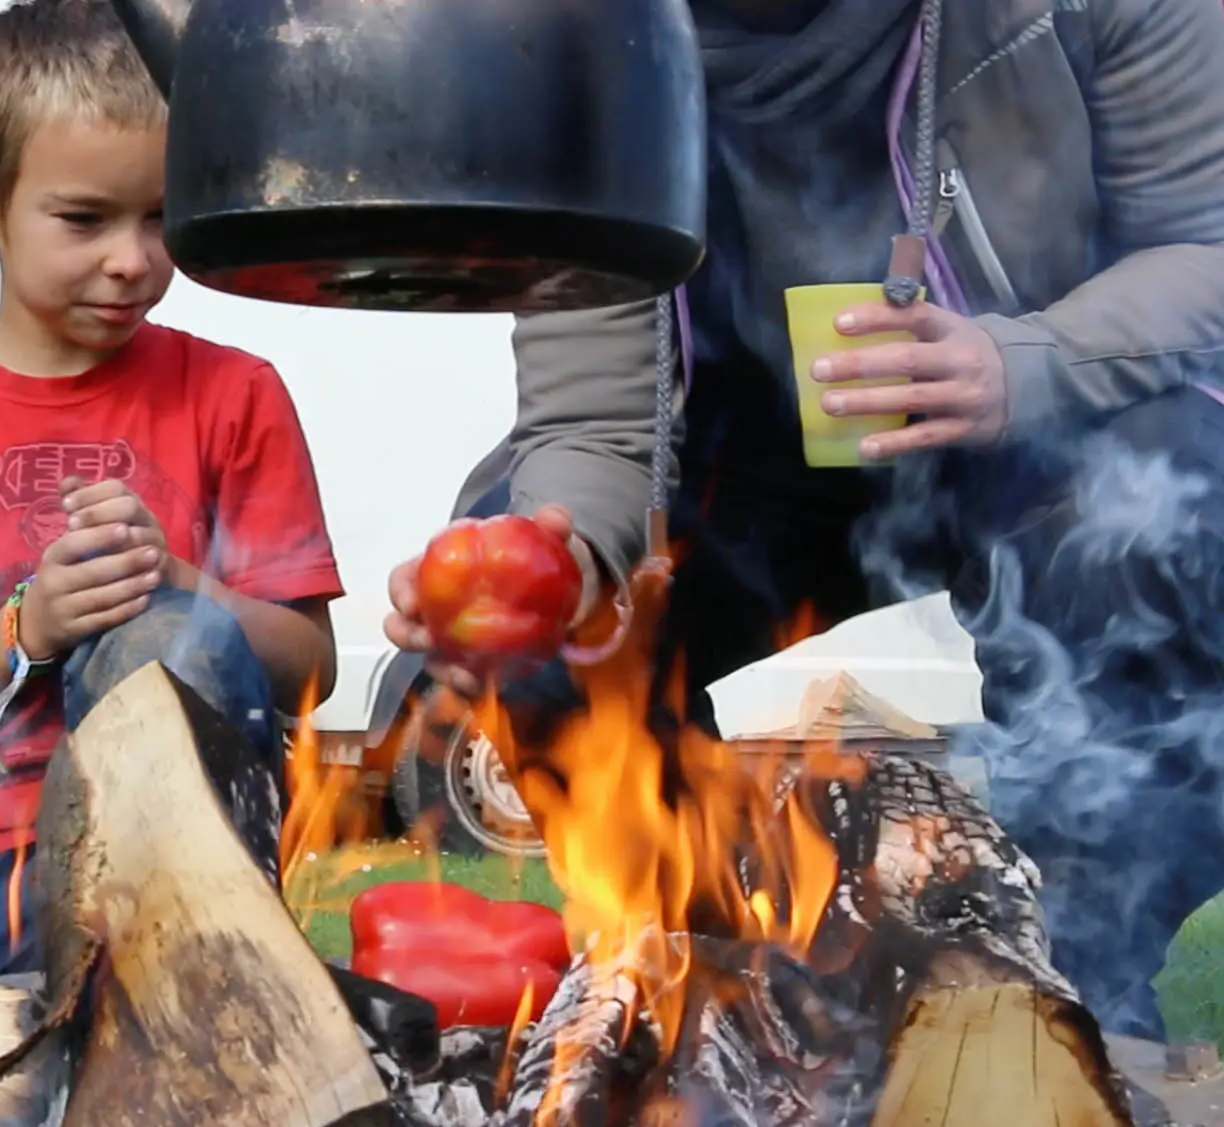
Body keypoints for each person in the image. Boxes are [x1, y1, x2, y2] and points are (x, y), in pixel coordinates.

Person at [385, 0, 1224, 1043]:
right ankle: (706, 992)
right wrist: (551, 564)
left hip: (1032, 438)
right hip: (731, 462)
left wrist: (1025, 361)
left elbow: (1205, 242)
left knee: (1174, 520)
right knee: (550, 642)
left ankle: (1057, 990)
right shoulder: (582, 36)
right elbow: (593, 421)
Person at [0, 0, 345, 998]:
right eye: (84, 219)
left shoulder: (236, 396)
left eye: (159, 216)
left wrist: (179, 582)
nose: (131, 259)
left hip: (196, 859)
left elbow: (309, 668)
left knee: (167, 632)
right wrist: (32, 626)